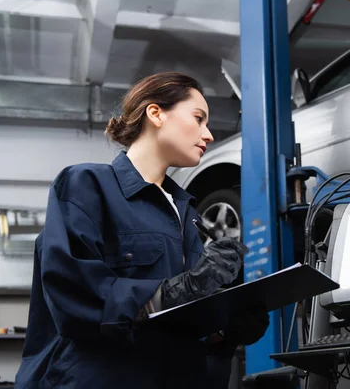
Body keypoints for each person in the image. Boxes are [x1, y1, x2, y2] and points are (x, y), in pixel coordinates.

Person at [15, 72, 270, 389]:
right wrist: (178, 290)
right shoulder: (87, 186)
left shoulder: (187, 217)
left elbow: (181, 330)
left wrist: (225, 334)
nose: (209, 135)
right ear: (156, 113)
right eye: (198, 118)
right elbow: (76, 295)